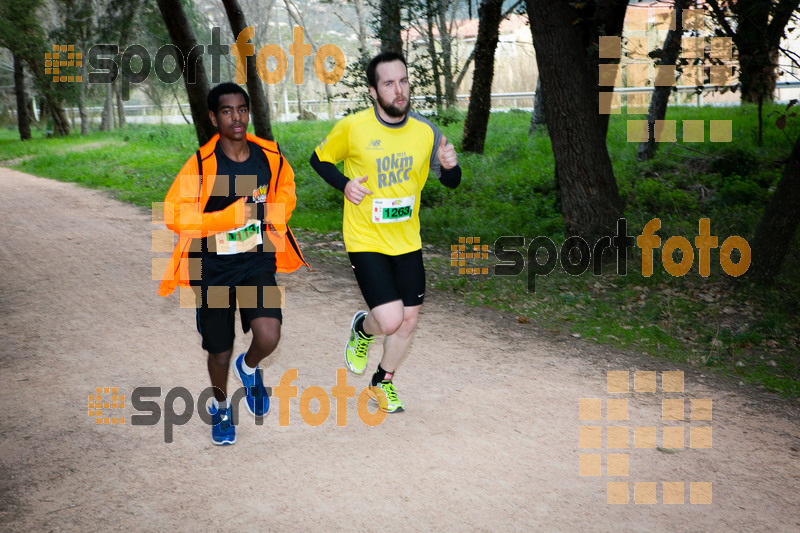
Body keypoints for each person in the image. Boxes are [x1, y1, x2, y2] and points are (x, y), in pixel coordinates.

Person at [310, 51, 461, 413]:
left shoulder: (427, 132)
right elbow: (319, 159)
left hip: (407, 240)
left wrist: (450, 166)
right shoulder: (355, 127)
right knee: (390, 319)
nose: (399, 90)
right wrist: (345, 185)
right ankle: (363, 329)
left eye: (404, 81)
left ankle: (382, 382)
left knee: (409, 320)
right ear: (374, 92)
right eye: (389, 83)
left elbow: (451, 181)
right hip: (365, 238)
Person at [158, 83, 306, 445]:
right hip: (210, 266)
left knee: (269, 335)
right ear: (213, 117)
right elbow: (173, 214)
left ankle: (250, 368)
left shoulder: (267, 156)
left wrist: (270, 212)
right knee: (219, 349)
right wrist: (230, 216)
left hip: (256, 258)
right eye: (227, 111)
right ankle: (221, 408)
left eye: (241, 109)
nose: (236, 117)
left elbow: (286, 190)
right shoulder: (201, 164)